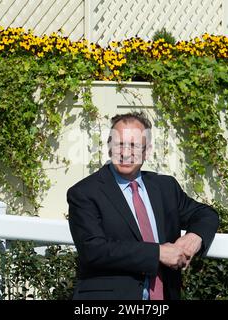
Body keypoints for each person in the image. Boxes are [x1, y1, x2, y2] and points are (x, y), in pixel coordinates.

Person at [67, 112, 219, 300]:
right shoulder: (84, 192)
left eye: (134, 146)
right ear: (108, 148)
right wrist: (157, 253)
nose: (125, 153)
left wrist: (195, 237)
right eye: (119, 144)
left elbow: (205, 214)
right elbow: (93, 249)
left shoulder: (165, 187)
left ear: (147, 151)